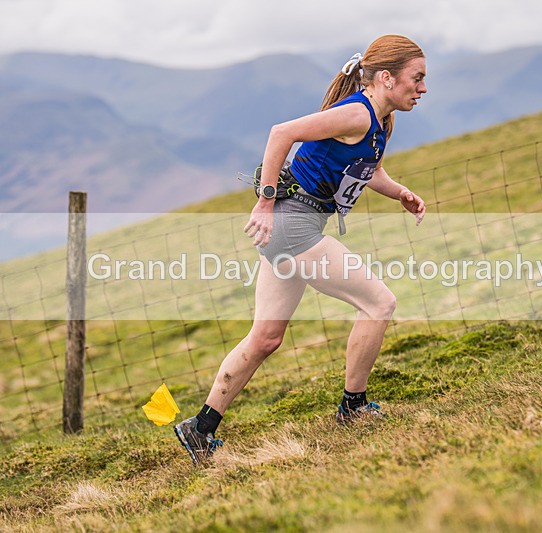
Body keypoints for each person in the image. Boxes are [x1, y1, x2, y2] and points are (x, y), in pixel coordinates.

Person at [175, 34, 427, 465]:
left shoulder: (378, 122)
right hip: (294, 226)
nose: (422, 89)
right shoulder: (356, 114)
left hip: (293, 229)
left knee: (266, 338)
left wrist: (399, 192)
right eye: (416, 79)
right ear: (387, 78)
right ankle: (354, 407)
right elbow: (281, 134)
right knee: (379, 304)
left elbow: (369, 170)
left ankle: (199, 429)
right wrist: (265, 200)